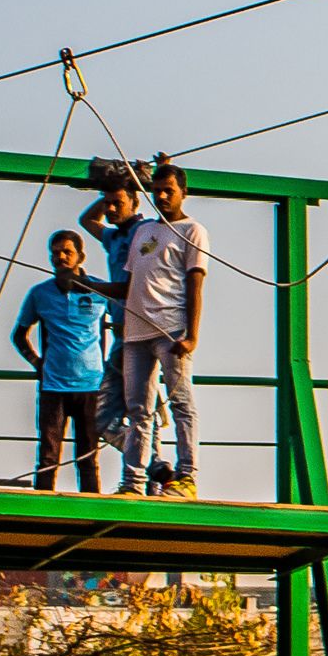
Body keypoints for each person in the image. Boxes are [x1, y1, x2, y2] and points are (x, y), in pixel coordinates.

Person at [109, 159, 209, 498]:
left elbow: (195, 285)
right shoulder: (143, 231)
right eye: (158, 191)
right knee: (139, 410)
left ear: (183, 193)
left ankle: (186, 477)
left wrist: (191, 335)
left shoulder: (193, 230)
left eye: (169, 191)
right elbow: (131, 284)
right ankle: (134, 481)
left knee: (181, 403)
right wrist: (86, 284)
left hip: (170, 331)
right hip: (136, 333)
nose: (163, 196)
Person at [76, 170, 176, 482]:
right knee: (102, 418)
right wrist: (111, 190)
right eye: (108, 204)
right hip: (122, 334)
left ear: (134, 203)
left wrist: (141, 182)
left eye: (118, 203)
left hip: (142, 330)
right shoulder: (114, 236)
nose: (110, 209)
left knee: (142, 409)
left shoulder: (143, 232)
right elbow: (87, 221)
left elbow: (167, 222)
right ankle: (154, 464)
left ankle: (149, 472)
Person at [9, 228, 117, 491]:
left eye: (67, 252)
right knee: (48, 454)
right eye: (55, 254)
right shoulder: (40, 294)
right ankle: (41, 507)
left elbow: (123, 325)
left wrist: (116, 367)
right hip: (54, 386)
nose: (61, 258)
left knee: (88, 455)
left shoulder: (98, 290)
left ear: (80, 255)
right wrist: (37, 362)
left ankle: (92, 508)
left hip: (91, 384)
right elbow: (19, 335)